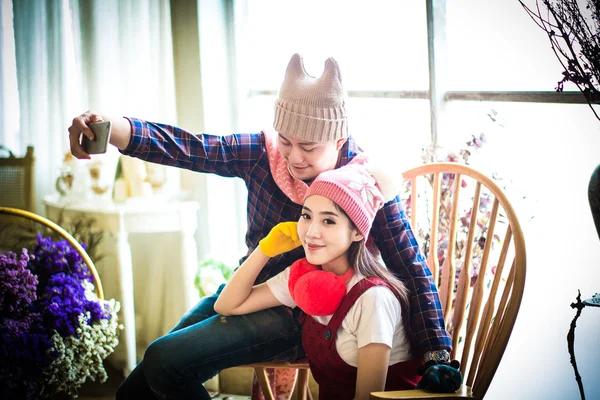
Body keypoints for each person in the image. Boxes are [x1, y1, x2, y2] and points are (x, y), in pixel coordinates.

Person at [68, 53, 456, 400]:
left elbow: (411, 265)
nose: (294, 158)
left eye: (309, 147)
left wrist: (437, 353)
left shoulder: (363, 182)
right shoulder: (262, 153)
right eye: (287, 142)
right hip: (250, 290)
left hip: (306, 315)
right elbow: (193, 146)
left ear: (339, 141)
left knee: (164, 362)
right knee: (139, 387)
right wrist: (112, 127)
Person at [215, 162, 437, 399]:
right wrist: (264, 250)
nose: (311, 232)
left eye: (328, 221)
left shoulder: (373, 298)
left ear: (358, 232)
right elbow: (228, 305)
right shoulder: (304, 278)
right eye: (306, 216)